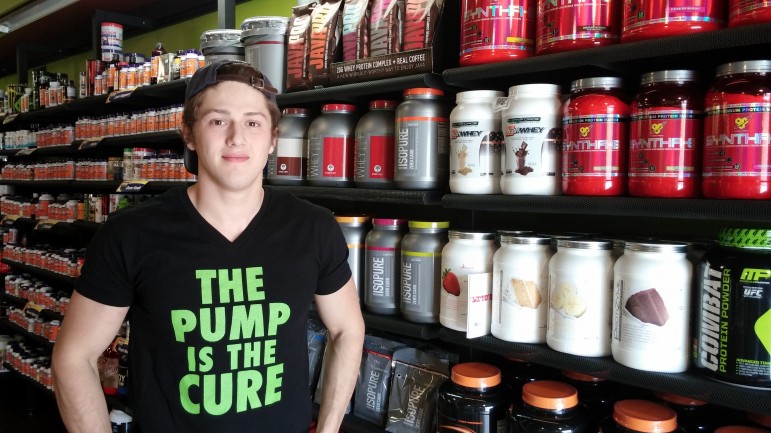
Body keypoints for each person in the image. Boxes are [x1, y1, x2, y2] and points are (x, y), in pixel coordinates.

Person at [52, 60, 365, 433]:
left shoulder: (313, 227)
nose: (237, 137)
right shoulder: (131, 235)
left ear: (272, 138)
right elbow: (73, 358)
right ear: (189, 134)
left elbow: (348, 329)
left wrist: (328, 428)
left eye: (253, 122)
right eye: (218, 121)